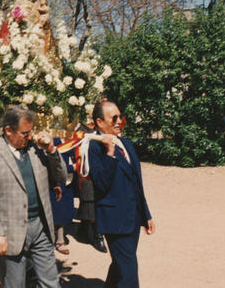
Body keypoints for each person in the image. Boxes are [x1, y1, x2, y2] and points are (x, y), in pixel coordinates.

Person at [0, 106, 67, 288]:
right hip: (11, 232)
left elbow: (61, 176)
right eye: (24, 133)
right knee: (14, 284)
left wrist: (51, 150)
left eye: (30, 132)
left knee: (51, 283)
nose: (29, 137)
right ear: (8, 130)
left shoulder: (36, 149)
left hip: (40, 227)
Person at [88, 100, 155, 287]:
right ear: (100, 122)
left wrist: (146, 215)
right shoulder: (94, 147)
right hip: (114, 220)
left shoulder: (126, 143)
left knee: (121, 265)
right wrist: (109, 153)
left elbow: (136, 183)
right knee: (129, 274)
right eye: (114, 118)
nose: (119, 121)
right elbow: (100, 183)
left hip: (132, 217)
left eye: (120, 117)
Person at [50, 137, 75, 255]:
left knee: (64, 213)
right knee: (56, 213)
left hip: (68, 183)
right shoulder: (55, 140)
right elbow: (55, 165)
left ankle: (60, 238)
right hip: (57, 183)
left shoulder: (75, 140)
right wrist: (72, 167)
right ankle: (57, 240)